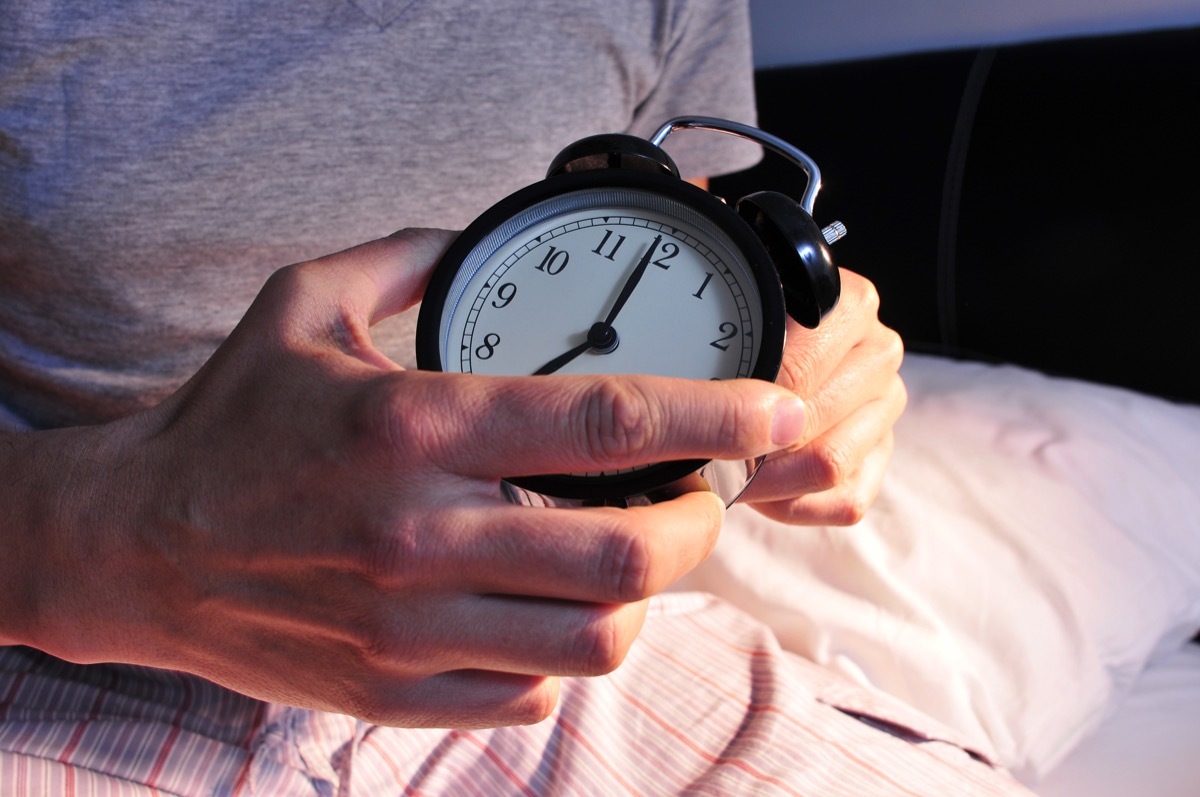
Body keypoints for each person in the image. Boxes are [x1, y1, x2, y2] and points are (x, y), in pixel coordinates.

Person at [0, 1, 1027, 793]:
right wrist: (90, 537)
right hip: (56, 664)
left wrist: (822, 373)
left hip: (553, 667)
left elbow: (698, 237)